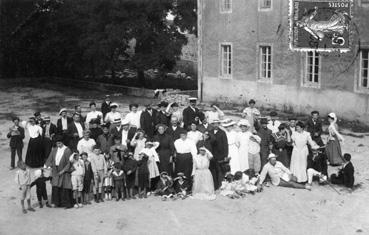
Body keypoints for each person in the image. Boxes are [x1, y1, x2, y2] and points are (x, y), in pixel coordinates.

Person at [45, 135, 73, 209]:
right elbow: (50, 158)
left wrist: (63, 171)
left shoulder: (67, 150)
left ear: (62, 142)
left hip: (64, 170)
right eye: (57, 143)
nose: (58, 145)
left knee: (65, 187)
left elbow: (69, 163)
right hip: (55, 170)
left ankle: (67, 204)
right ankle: (56, 203)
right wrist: (46, 166)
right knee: (55, 186)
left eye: (60, 143)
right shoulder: (54, 149)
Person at [209, 119, 229, 190]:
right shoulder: (210, 132)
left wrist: (225, 155)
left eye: (217, 124)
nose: (216, 125)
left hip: (220, 155)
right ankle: (214, 185)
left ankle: (220, 185)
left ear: (219, 124)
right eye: (214, 124)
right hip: (211, 155)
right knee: (212, 170)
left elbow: (225, 144)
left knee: (220, 171)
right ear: (212, 124)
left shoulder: (222, 132)